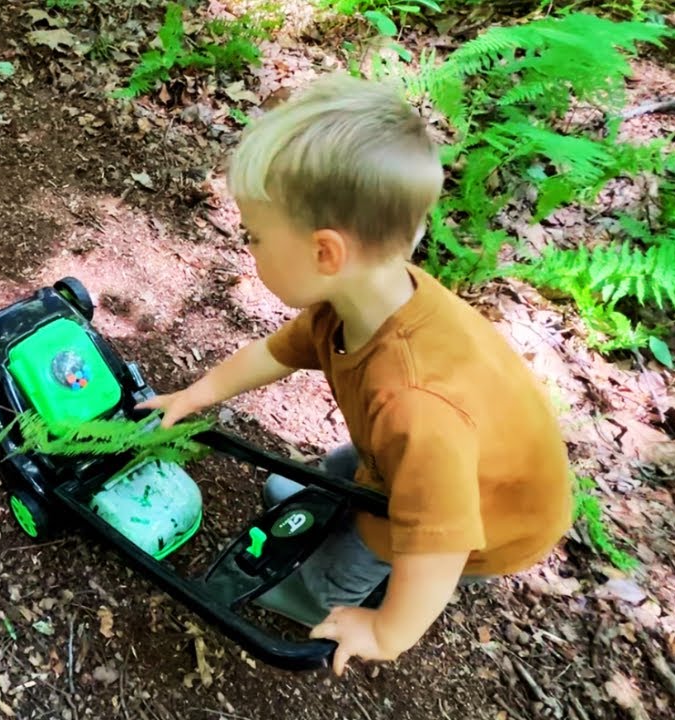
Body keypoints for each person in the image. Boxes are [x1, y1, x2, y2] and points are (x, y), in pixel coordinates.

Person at [136, 73, 572, 676]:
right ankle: (329, 507)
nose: (249, 248)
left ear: (325, 254)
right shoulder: (359, 301)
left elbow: (438, 545)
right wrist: (198, 393)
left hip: (489, 517)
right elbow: (276, 353)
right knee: (351, 466)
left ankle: (315, 590)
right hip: (421, 463)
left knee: (374, 531)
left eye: (256, 236)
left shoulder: (417, 405)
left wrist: (389, 631)